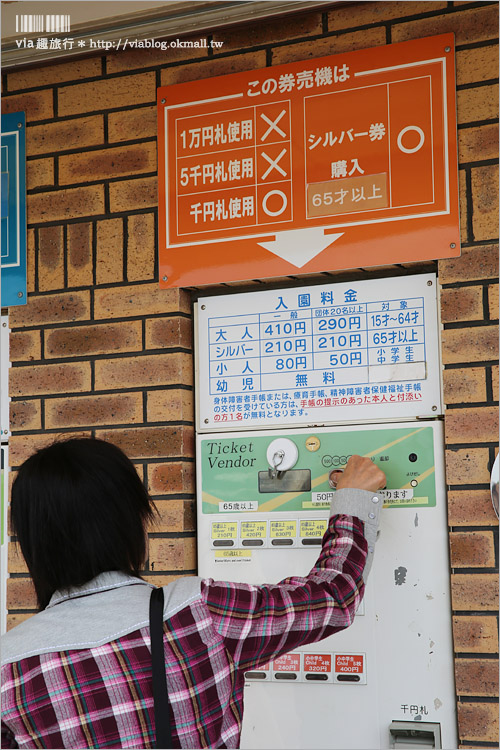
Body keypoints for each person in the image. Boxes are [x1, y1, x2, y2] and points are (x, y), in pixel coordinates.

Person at [1, 437, 385, 749]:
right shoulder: (197, 613)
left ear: (33, 545)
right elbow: (332, 596)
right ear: (130, 524)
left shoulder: (7, 670)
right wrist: (353, 497)